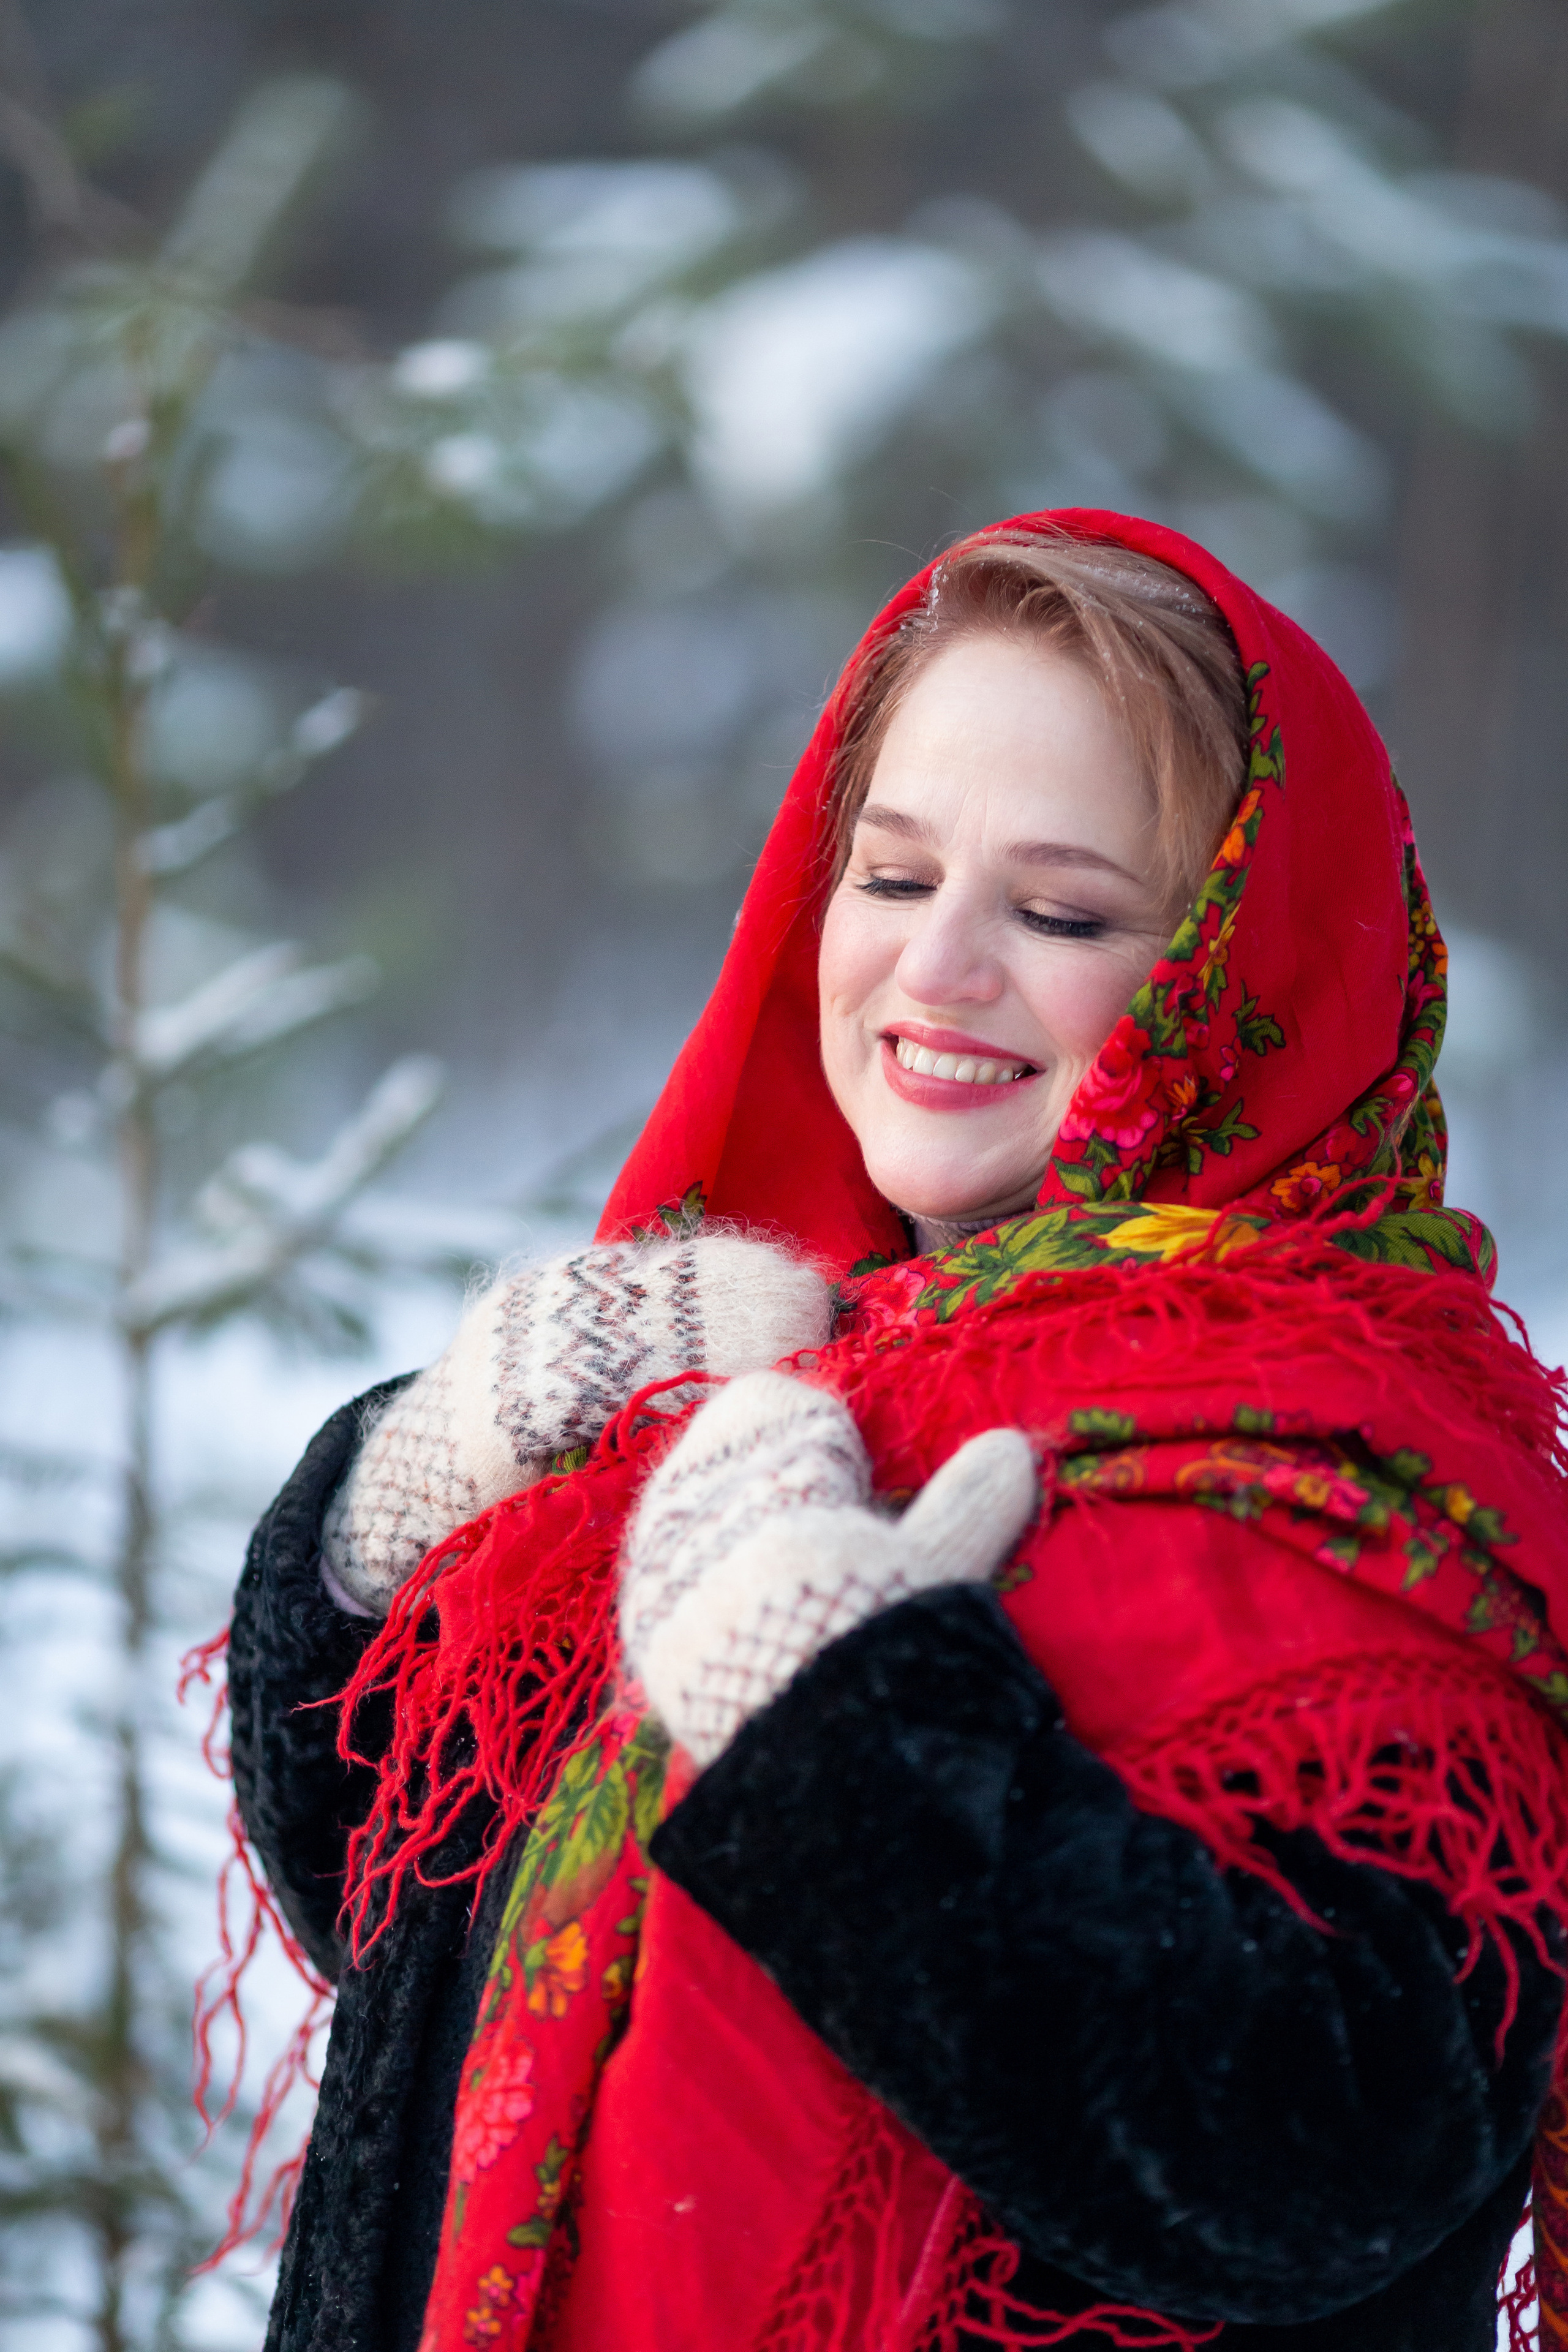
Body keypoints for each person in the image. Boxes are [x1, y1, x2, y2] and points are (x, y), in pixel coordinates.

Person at [227, 512, 1568, 2352]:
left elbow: (1327, 2167)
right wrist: (401, 1511)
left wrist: (850, 1733)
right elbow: (386, 1917)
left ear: (1245, 982)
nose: (936, 972)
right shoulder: (753, 1365)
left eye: (1062, 911)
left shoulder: (1358, 1495)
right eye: (892, 874)